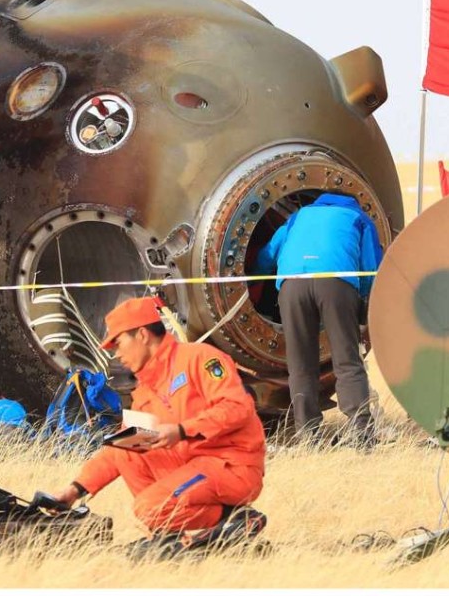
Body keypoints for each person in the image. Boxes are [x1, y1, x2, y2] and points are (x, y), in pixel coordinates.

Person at [52, 296, 266, 553]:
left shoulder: (201, 358)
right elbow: (120, 448)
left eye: (118, 343)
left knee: (148, 508)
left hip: (231, 466)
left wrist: (182, 431)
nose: (117, 355)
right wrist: (76, 490)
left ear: (142, 334)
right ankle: (174, 538)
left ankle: (235, 520)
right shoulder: (144, 392)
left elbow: (238, 408)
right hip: (192, 468)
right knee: (126, 452)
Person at [254, 192, 383, 447]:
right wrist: (364, 301)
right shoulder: (358, 217)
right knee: (347, 360)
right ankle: (361, 432)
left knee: (300, 364)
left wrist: (254, 278)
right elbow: (371, 266)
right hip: (336, 284)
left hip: (292, 287)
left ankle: (307, 433)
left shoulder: (298, 216)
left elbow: (267, 255)